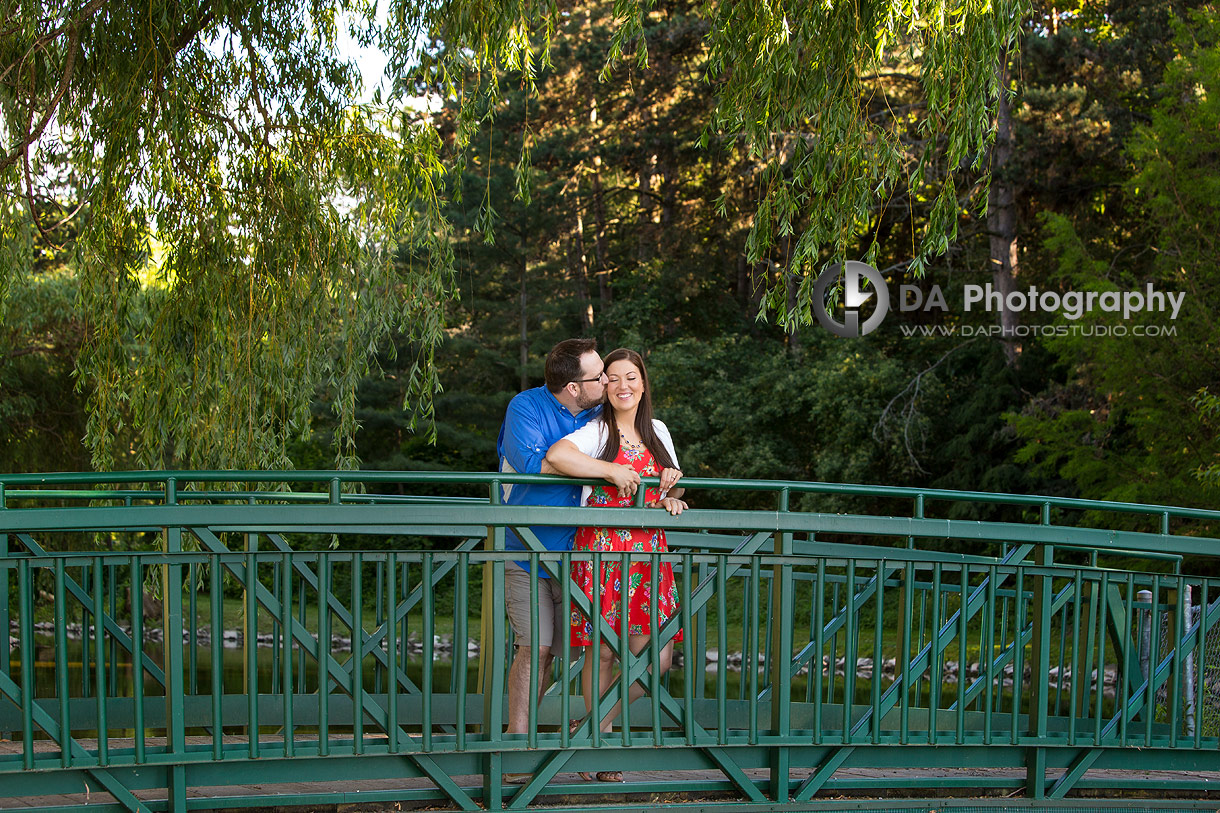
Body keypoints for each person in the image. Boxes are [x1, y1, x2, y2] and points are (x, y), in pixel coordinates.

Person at [545, 347, 687, 782]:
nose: (622, 385)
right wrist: (607, 471)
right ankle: (601, 744)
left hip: (648, 558)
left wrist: (671, 495)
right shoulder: (596, 430)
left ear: (643, 383)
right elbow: (555, 458)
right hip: (602, 552)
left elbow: (676, 488)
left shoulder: (658, 430)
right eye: (612, 377)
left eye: (631, 377)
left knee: (657, 659)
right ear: (604, 386)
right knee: (604, 650)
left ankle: (590, 726)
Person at [495, 338, 606, 770]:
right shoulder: (526, 407)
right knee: (535, 648)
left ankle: (595, 739)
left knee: (602, 650)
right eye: (598, 376)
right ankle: (517, 742)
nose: (606, 380)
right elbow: (533, 467)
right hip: (527, 551)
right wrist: (604, 468)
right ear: (574, 388)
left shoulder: (603, 413)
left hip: (585, 556)